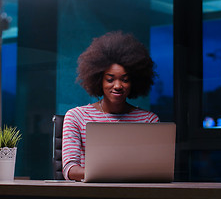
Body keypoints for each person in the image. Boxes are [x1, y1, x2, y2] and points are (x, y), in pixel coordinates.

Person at [62, 31, 159, 181]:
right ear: (98, 80)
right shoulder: (77, 117)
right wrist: (114, 173)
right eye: (110, 79)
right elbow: (70, 169)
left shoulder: (148, 120)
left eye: (125, 80)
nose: (118, 86)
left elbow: (156, 168)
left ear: (134, 82)